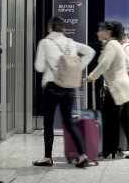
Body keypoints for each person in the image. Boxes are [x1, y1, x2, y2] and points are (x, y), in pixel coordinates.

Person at [33, 16, 95, 167]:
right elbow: (90, 51)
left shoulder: (45, 43)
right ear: (62, 28)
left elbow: (40, 67)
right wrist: (79, 66)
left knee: (48, 124)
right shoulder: (71, 43)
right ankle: (82, 156)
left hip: (52, 87)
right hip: (68, 87)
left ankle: (47, 157)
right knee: (69, 123)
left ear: (49, 26)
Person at [86, 21, 129, 159]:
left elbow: (104, 63)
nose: (97, 32)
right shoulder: (115, 45)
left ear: (108, 32)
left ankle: (108, 150)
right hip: (123, 87)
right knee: (126, 120)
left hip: (116, 88)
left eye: (100, 30)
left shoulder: (111, 45)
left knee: (109, 119)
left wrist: (92, 76)